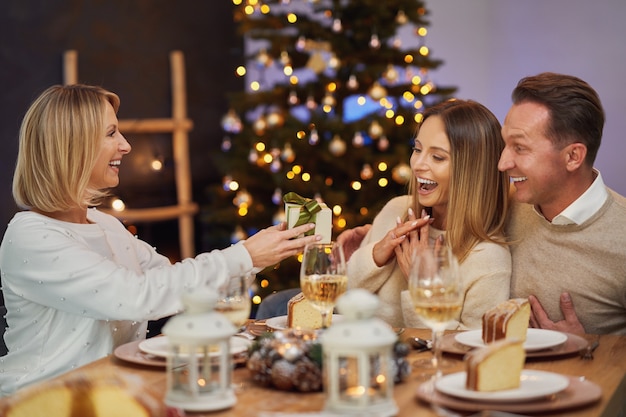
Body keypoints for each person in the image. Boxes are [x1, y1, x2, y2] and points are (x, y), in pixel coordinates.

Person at [0, 84, 322, 395]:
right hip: (44, 402)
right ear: (73, 146)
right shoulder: (31, 237)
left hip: (114, 394)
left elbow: (178, 285)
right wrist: (246, 256)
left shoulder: (104, 224)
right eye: (111, 134)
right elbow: (136, 295)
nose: (125, 145)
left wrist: (265, 252)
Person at [347, 99, 512, 329]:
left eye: (438, 157)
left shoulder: (489, 259)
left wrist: (423, 286)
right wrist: (376, 255)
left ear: (471, 171)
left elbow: (473, 348)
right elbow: (343, 299)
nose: (417, 164)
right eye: (417, 149)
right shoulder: (396, 209)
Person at [498, 72, 626, 335]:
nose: (503, 163)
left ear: (573, 156)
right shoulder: (505, 206)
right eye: (505, 144)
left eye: (520, 148)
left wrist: (591, 348)